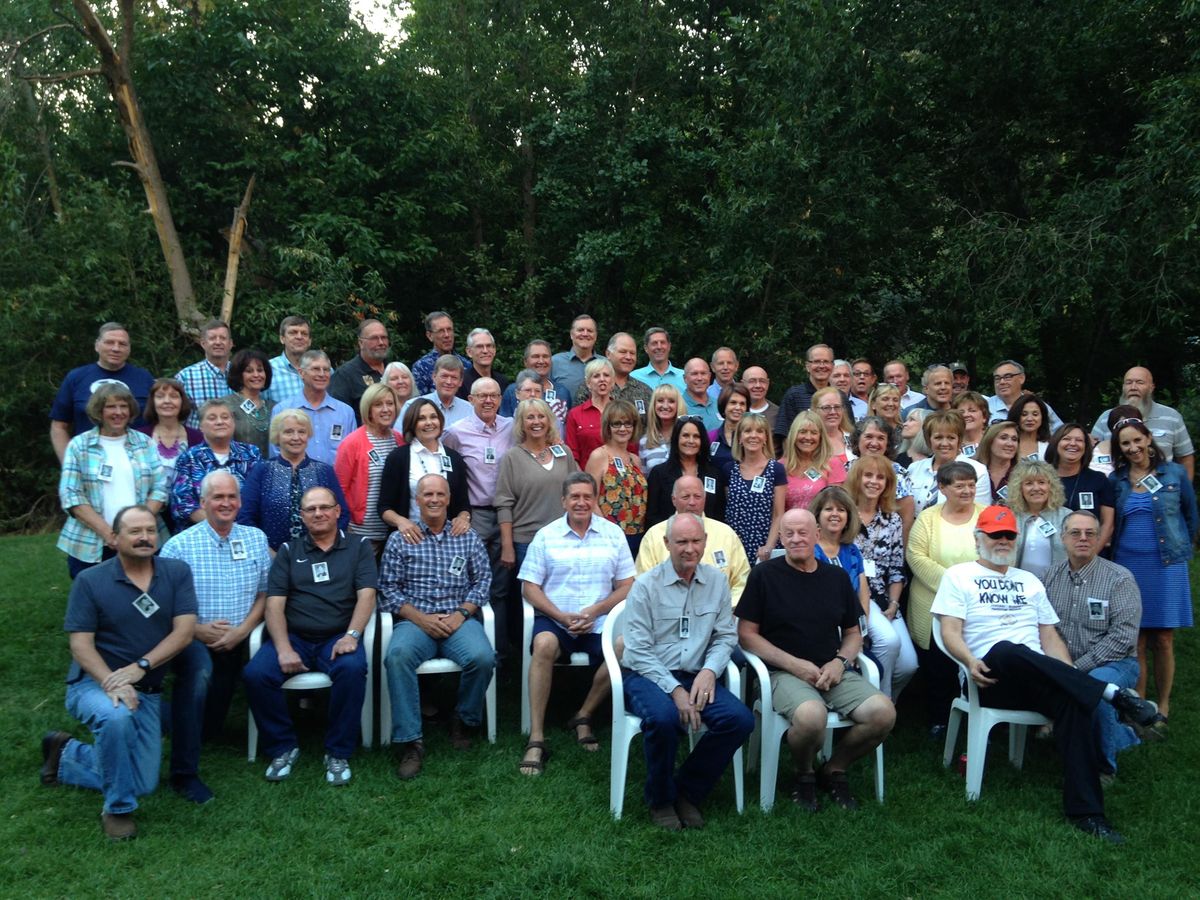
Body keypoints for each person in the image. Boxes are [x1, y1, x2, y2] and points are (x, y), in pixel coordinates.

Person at [932, 505, 1162, 842]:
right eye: (995, 534)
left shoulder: (1029, 581)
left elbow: (1050, 637)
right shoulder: (958, 575)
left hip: (1036, 679)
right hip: (989, 676)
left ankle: (1088, 814)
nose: (1002, 541)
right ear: (978, 537)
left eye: (1009, 535)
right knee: (1008, 649)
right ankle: (1112, 695)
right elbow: (949, 629)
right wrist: (968, 660)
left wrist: (1069, 679)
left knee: (1074, 703)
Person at [42, 505, 196, 841]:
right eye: (135, 531)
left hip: (147, 688)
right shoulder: (90, 580)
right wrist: (110, 682)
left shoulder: (176, 572)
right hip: (93, 684)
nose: (145, 538)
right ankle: (117, 809)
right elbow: (81, 645)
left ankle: (65, 754)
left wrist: (140, 669)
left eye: (151, 530)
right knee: (116, 718)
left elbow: (184, 632)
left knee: (145, 783)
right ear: (114, 538)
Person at [737, 509, 896, 812]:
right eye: (789, 534)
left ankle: (834, 768)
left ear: (817, 536)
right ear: (781, 537)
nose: (796, 539)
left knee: (883, 713)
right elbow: (746, 635)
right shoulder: (764, 575)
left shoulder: (835, 578)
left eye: (803, 532)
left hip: (831, 670)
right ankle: (804, 773)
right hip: (781, 673)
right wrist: (794, 664)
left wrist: (840, 662)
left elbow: (853, 633)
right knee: (812, 718)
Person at [622, 513, 754, 829]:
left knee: (738, 720)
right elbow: (638, 651)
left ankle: (687, 791)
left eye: (696, 541)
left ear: (705, 542)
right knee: (664, 719)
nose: (689, 548)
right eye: (681, 541)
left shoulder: (717, 582)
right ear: (667, 544)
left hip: (696, 674)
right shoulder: (645, 587)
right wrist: (674, 690)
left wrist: (710, 671)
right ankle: (661, 799)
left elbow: (725, 636)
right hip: (648, 674)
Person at [242, 487, 375, 785]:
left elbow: (367, 595)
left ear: (338, 511)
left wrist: (352, 635)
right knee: (256, 674)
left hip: (337, 637)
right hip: (297, 638)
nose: (318, 514)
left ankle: (338, 751)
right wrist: (284, 648)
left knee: (352, 669)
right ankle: (282, 746)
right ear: (302, 516)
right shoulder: (290, 551)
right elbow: (275, 605)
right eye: (311, 509)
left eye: (325, 507)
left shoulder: (359, 547)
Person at [159, 472, 270, 804]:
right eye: (218, 497)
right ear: (203, 502)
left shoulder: (254, 538)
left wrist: (243, 630)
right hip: (195, 639)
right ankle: (183, 774)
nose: (226, 503)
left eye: (232, 497)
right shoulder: (179, 545)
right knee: (199, 678)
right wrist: (196, 630)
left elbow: (265, 594)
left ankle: (281, 741)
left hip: (242, 637)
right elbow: (163, 604)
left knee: (211, 727)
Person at [518, 472, 636, 774]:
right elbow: (529, 587)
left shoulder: (613, 534)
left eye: (587, 496)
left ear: (595, 500)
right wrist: (560, 616)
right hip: (558, 621)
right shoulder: (546, 535)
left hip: (599, 623)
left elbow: (627, 584)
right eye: (575, 497)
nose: (581, 502)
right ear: (563, 501)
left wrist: (596, 611)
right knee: (543, 645)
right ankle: (537, 737)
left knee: (625, 646)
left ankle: (583, 715)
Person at [378, 474, 495, 778]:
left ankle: (462, 718)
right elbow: (388, 589)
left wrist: (460, 614)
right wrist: (420, 619)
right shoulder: (400, 539)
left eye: (440, 494)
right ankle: (411, 741)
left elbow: (482, 581)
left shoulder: (466, 536)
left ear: (448, 499)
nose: (433, 499)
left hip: (458, 618)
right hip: (416, 621)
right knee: (397, 657)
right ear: (417, 500)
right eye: (427, 494)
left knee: (482, 658)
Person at [1044, 510, 1156, 777]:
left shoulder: (1119, 579)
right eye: (1075, 533)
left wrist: (1074, 670)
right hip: (1066, 662)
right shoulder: (1048, 577)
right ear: (1063, 538)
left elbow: (1123, 638)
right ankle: (1124, 734)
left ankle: (1104, 768)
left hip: (1116, 663)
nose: (1082, 538)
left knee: (1097, 688)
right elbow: (1042, 626)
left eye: (1090, 533)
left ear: (1099, 539)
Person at [1109, 416, 1198, 727]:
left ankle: (1163, 705)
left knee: (1163, 637)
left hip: (1166, 565)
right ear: (1119, 449)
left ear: (1148, 439)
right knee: (1136, 638)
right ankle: (1140, 705)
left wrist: (1181, 550)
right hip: (1127, 566)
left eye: (1137, 440)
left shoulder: (1173, 473)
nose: (1133, 448)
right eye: (1126, 444)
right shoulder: (1116, 479)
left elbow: (1190, 514)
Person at [494, 398, 580, 650]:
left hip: (563, 540)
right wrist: (507, 546)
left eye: (541, 416)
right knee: (530, 601)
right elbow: (504, 503)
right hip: (526, 541)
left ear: (549, 420)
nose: (536, 422)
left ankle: (564, 645)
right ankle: (528, 652)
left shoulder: (563, 453)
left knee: (561, 593)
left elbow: (578, 491)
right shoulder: (512, 457)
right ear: (521, 422)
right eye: (530, 417)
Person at [58, 383, 169, 579]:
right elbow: (71, 494)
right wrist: (110, 534)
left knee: (144, 597)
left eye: (123, 406)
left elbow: (160, 488)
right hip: (92, 542)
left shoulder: (145, 443)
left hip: (142, 539)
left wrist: (138, 527)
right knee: (95, 602)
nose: (118, 412)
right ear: (99, 411)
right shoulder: (79, 445)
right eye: (111, 407)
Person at [906, 461, 984, 734]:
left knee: (975, 656)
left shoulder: (987, 515)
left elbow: (1000, 553)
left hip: (977, 601)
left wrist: (970, 590)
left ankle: (976, 719)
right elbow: (916, 556)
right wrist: (955, 586)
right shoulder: (928, 517)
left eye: (971, 485)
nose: (967, 490)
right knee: (938, 664)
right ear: (942, 487)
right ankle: (940, 718)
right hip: (933, 600)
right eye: (959, 485)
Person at [443, 377, 515, 643]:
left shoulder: (511, 427)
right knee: (470, 581)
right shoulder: (455, 432)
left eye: (494, 395)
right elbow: (447, 472)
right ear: (470, 399)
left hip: (508, 515)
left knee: (501, 586)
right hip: (474, 515)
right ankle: (467, 642)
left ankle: (500, 649)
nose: (488, 401)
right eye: (482, 396)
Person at [845, 456, 917, 699]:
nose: (874, 482)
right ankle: (879, 711)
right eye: (868, 475)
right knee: (889, 642)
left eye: (880, 477)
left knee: (908, 665)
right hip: (853, 595)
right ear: (857, 478)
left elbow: (897, 567)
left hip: (884, 598)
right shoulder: (843, 514)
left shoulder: (892, 519)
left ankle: (885, 700)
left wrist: (894, 604)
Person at [238, 410, 349, 550]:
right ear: (277, 436)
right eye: (289, 432)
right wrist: (267, 552)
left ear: (308, 435)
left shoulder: (324, 471)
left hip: (320, 555)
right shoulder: (262, 470)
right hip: (272, 557)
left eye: (302, 432)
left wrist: (325, 547)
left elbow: (342, 514)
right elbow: (245, 516)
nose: (296, 437)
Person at [636, 476, 751, 606]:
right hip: (667, 616)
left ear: (705, 498)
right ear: (674, 500)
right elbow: (644, 583)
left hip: (720, 616)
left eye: (697, 496)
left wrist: (724, 609)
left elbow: (742, 581)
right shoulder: (655, 535)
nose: (692, 502)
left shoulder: (726, 533)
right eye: (685, 497)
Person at [50, 322, 155, 461]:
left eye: (122, 344)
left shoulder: (144, 378)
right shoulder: (76, 377)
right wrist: (69, 464)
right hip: (88, 462)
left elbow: (158, 423)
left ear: (129, 349)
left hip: (135, 462)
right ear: (97, 345)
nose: (116, 348)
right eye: (109, 342)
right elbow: (59, 426)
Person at [379, 399, 471, 541]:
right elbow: (384, 507)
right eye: (421, 418)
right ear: (412, 423)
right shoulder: (398, 458)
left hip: (448, 540)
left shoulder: (454, 458)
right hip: (410, 538)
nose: (429, 422)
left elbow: (463, 504)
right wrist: (401, 522)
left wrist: (463, 518)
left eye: (433, 417)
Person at [333, 383, 404, 553]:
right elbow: (338, 491)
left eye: (390, 403)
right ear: (368, 409)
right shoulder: (352, 443)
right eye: (378, 404)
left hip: (394, 532)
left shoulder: (400, 440)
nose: (386, 409)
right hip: (361, 534)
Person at [170, 400, 262, 528]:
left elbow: (259, 497)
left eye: (225, 417)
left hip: (246, 530)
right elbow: (183, 505)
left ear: (233, 422)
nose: (220, 422)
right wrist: (223, 525)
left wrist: (238, 529)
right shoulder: (189, 458)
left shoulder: (251, 454)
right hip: (202, 533)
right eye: (212, 418)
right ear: (201, 426)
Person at [1091, 366, 1194, 479]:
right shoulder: (1106, 418)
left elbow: (1185, 457)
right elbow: (1090, 453)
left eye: (1140, 382)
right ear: (1123, 387)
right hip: (1116, 491)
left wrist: (1184, 491)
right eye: (1128, 383)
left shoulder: (1172, 416)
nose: (1133, 387)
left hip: (1164, 491)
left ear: (1151, 387)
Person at [270, 350, 356, 466]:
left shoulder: (345, 412)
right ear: (301, 373)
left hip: (334, 482)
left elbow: (352, 454)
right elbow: (275, 454)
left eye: (326, 370)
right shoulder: (282, 410)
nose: (322, 374)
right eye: (315, 369)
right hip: (294, 481)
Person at [585, 400, 648, 554]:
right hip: (608, 538)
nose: (622, 428)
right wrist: (606, 532)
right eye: (616, 423)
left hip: (637, 536)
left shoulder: (636, 460)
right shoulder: (599, 456)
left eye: (628, 424)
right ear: (608, 426)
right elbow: (589, 498)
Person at [724, 413, 787, 562]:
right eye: (747, 431)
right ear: (739, 438)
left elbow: (779, 514)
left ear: (766, 438)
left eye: (759, 431)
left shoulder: (776, 469)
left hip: (764, 547)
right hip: (734, 545)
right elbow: (729, 509)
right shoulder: (729, 469)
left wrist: (769, 547)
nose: (753, 436)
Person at [1045, 422, 1115, 548]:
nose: (1073, 443)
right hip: (1046, 551)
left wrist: (1091, 554)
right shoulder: (1042, 478)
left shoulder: (1098, 479)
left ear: (1086, 446)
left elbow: (1108, 524)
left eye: (1079, 440)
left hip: (1090, 553)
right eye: (1066, 439)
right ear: (1056, 443)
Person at [646, 417, 725, 527]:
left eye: (696, 436)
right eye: (685, 435)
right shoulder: (659, 473)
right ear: (676, 439)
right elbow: (652, 516)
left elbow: (719, 515)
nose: (691, 441)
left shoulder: (714, 474)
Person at [905, 411, 988, 513]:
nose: (944, 443)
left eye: (951, 438)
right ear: (928, 439)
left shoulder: (978, 470)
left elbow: (981, 513)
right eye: (938, 437)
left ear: (959, 440)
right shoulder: (914, 468)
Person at [849, 416, 915, 539]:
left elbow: (906, 519)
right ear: (857, 440)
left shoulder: (899, 474)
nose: (874, 443)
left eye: (881, 438)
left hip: (885, 545)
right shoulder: (846, 469)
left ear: (888, 444)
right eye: (868, 437)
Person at [135, 378, 202, 498]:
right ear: (152, 402)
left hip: (188, 507)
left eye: (174, 396)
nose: (167, 401)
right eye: (160, 396)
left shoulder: (198, 438)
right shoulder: (139, 437)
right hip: (147, 506)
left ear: (182, 402)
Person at [774, 343, 849, 446]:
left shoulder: (840, 397)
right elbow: (784, 436)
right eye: (817, 361)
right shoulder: (794, 395)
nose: (821, 366)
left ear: (832, 366)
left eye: (826, 362)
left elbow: (849, 432)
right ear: (807, 366)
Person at [1008, 460, 1070, 582]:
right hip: (1017, 586)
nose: (1036, 488)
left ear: (1051, 486)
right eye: (1029, 483)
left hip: (1058, 586)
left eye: (1041, 482)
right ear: (1019, 488)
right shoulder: (1009, 516)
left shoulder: (1067, 517)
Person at [574, 331, 653, 416]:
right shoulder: (590, 388)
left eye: (632, 353)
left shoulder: (645, 391)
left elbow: (652, 426)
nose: (628, 357)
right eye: (623, 352)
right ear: (608, 354)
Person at [174, 319, 234, 427]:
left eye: (223, 338)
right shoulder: (186, 377)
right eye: (212, 338)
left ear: (230, 344)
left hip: (238, 443)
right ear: (203, 343)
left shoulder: (242, 374)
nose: (218, 342)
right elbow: (176, 420)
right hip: (199, 441)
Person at [329, 318, 390, 423]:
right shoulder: (345, 375)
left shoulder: (395, 371)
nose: (381, 342)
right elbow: (338, 417)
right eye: (374, 338)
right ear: (361, 343)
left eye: (384, 337)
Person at [564, 358, 617, 468]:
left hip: (620, 479)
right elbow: (572, 455)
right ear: (588, 383)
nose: (602, 379)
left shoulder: (623, 412)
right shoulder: (575, 414)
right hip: (587, 478)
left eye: (606, 375)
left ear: (612, 381)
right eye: (596, 376)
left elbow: (631, 451)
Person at [221, 349, 273, 456]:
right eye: (249, 371)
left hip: (271, 470)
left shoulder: (274, 407)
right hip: (239, 469)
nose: (256, 375)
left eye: (260, 370)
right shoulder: (226, 405)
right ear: (239, 376)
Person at [783, 410, 836, 513]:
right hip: (789, 527)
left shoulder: (832, 464)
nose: (808, 437)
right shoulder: (780, 466)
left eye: (814, 433)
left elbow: (836, 506)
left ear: (821, 437)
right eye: (802, 431)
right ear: (794, 434)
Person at [987, 359, 1063, 430]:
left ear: (1021, 378)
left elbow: (1060, 433)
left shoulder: (1038, 406)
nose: (1002, 382)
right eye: (997, 378)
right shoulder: (985, 407)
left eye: (1008, 377)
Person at [402, 353, 473, 429]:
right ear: (434, 377)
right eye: (444, 376)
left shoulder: (470, 410)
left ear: (460, 382)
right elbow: (400, 438)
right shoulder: (412, 406)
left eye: (454, 377)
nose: (449, 382)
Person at [412, 311, 469, 396]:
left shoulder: (466, 364)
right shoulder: (421, 367)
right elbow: (419, 402)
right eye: (441, 331)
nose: (447, 335)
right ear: (429, 335)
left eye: (449, 330)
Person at [500, 339, 561, 416]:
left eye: (545, 356)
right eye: (536, 356)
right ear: (525, 362)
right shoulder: (511, 391)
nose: (541, 361)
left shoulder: (563, 391)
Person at [550, 314, 600, 405]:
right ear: (571, 335)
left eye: (590, 331)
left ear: (595, 336)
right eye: (580, 330)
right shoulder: (555, 362)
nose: (585, 334)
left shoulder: (606, 364)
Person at [266, 315, 314, 408]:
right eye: (293, 332)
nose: (299, 337)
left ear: (309, 341)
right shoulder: (268, 369)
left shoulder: (323, 370)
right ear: (282, 339)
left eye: (304, 333)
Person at [639, 383, 685, 472]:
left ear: (678, 406)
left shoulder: (687, 438)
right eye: (660, 400)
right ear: (654, 405)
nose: (665, 406)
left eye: (671, 401)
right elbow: (644, 479)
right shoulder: (645, 441)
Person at [811, 386, 854, 476]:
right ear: (815, 411)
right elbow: (807, 475)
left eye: (837, 407)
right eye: (826, 408)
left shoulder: (854, 439)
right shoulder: (809, 441)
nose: (833, 412)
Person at [458, 327, 510, 399]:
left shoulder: (502, 381)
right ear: (469, 352)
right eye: (479, 346)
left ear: (494, 350)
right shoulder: (461, 382)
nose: (485, 351)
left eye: (488, 346)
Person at [631, 326, 687, 393]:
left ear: (669, 346)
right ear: (646, 348)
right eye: (654, 343)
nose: (659, 347)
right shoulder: (634, 377)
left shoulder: (684, 377)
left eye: (662, 342)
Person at [708, 382, 751, 469]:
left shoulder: (752, 437)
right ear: (724, 406)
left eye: (742, 404)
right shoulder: (711, 437)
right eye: (733, 402)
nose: (738, 407)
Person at [975, 421, 1020, 504]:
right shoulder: (974, 471)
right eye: (1003, 438)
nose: (1010, 444)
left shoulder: (1024, 474)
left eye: (1014, 439)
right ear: (989, 441)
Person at [1008, 392, 1051, 461]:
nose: (1030, 419)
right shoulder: (1006, 444)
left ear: (1042, 417)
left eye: (1035, 414)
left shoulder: (1049, 447)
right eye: (1024, 414)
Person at [682, 358, 721, 431]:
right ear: (685, 378)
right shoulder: (679, 406)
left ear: (709, 376)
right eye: (694, 374)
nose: (699, 378)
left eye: (703, 373)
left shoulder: (719, 404)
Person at [953, 390, 990, 458]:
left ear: (984, 417)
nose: (966, 415)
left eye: (972, 411)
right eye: (961, 412)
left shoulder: (992, 441)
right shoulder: (951, 443)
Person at [742, 365, 779, 433]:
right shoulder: (736, 411)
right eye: (752, 381)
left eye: (762, 381)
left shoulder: (778, 414)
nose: (758, 385)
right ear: (742, 384)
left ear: (768, 384)